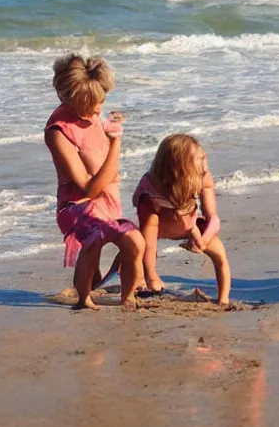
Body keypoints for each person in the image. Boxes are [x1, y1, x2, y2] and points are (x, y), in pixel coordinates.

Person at [44, 54, 145, 310]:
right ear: (75, 98)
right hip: (76, 206)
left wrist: (109, 133)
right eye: (95, 101)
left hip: (105, 203)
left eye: (103, 98)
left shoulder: (92, 116)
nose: (101, 106)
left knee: (135, 240)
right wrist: (116, 142)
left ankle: (127, 294)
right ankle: (83, 297)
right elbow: (88, 188)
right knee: (97, 236)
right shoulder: (58, 131)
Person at [132, 134, 231, 305]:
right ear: (177, 168)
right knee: (144, 236)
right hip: (160, 226)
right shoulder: (152, 186)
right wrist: (150, 274)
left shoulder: (203, 177)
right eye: (199, 162)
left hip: (189, 225)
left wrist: (202, 241)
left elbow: (213, 218)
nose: (205, 167)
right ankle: (145, 278)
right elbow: (148, 227)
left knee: (220, 255)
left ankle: (223, 299)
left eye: (204, 160)